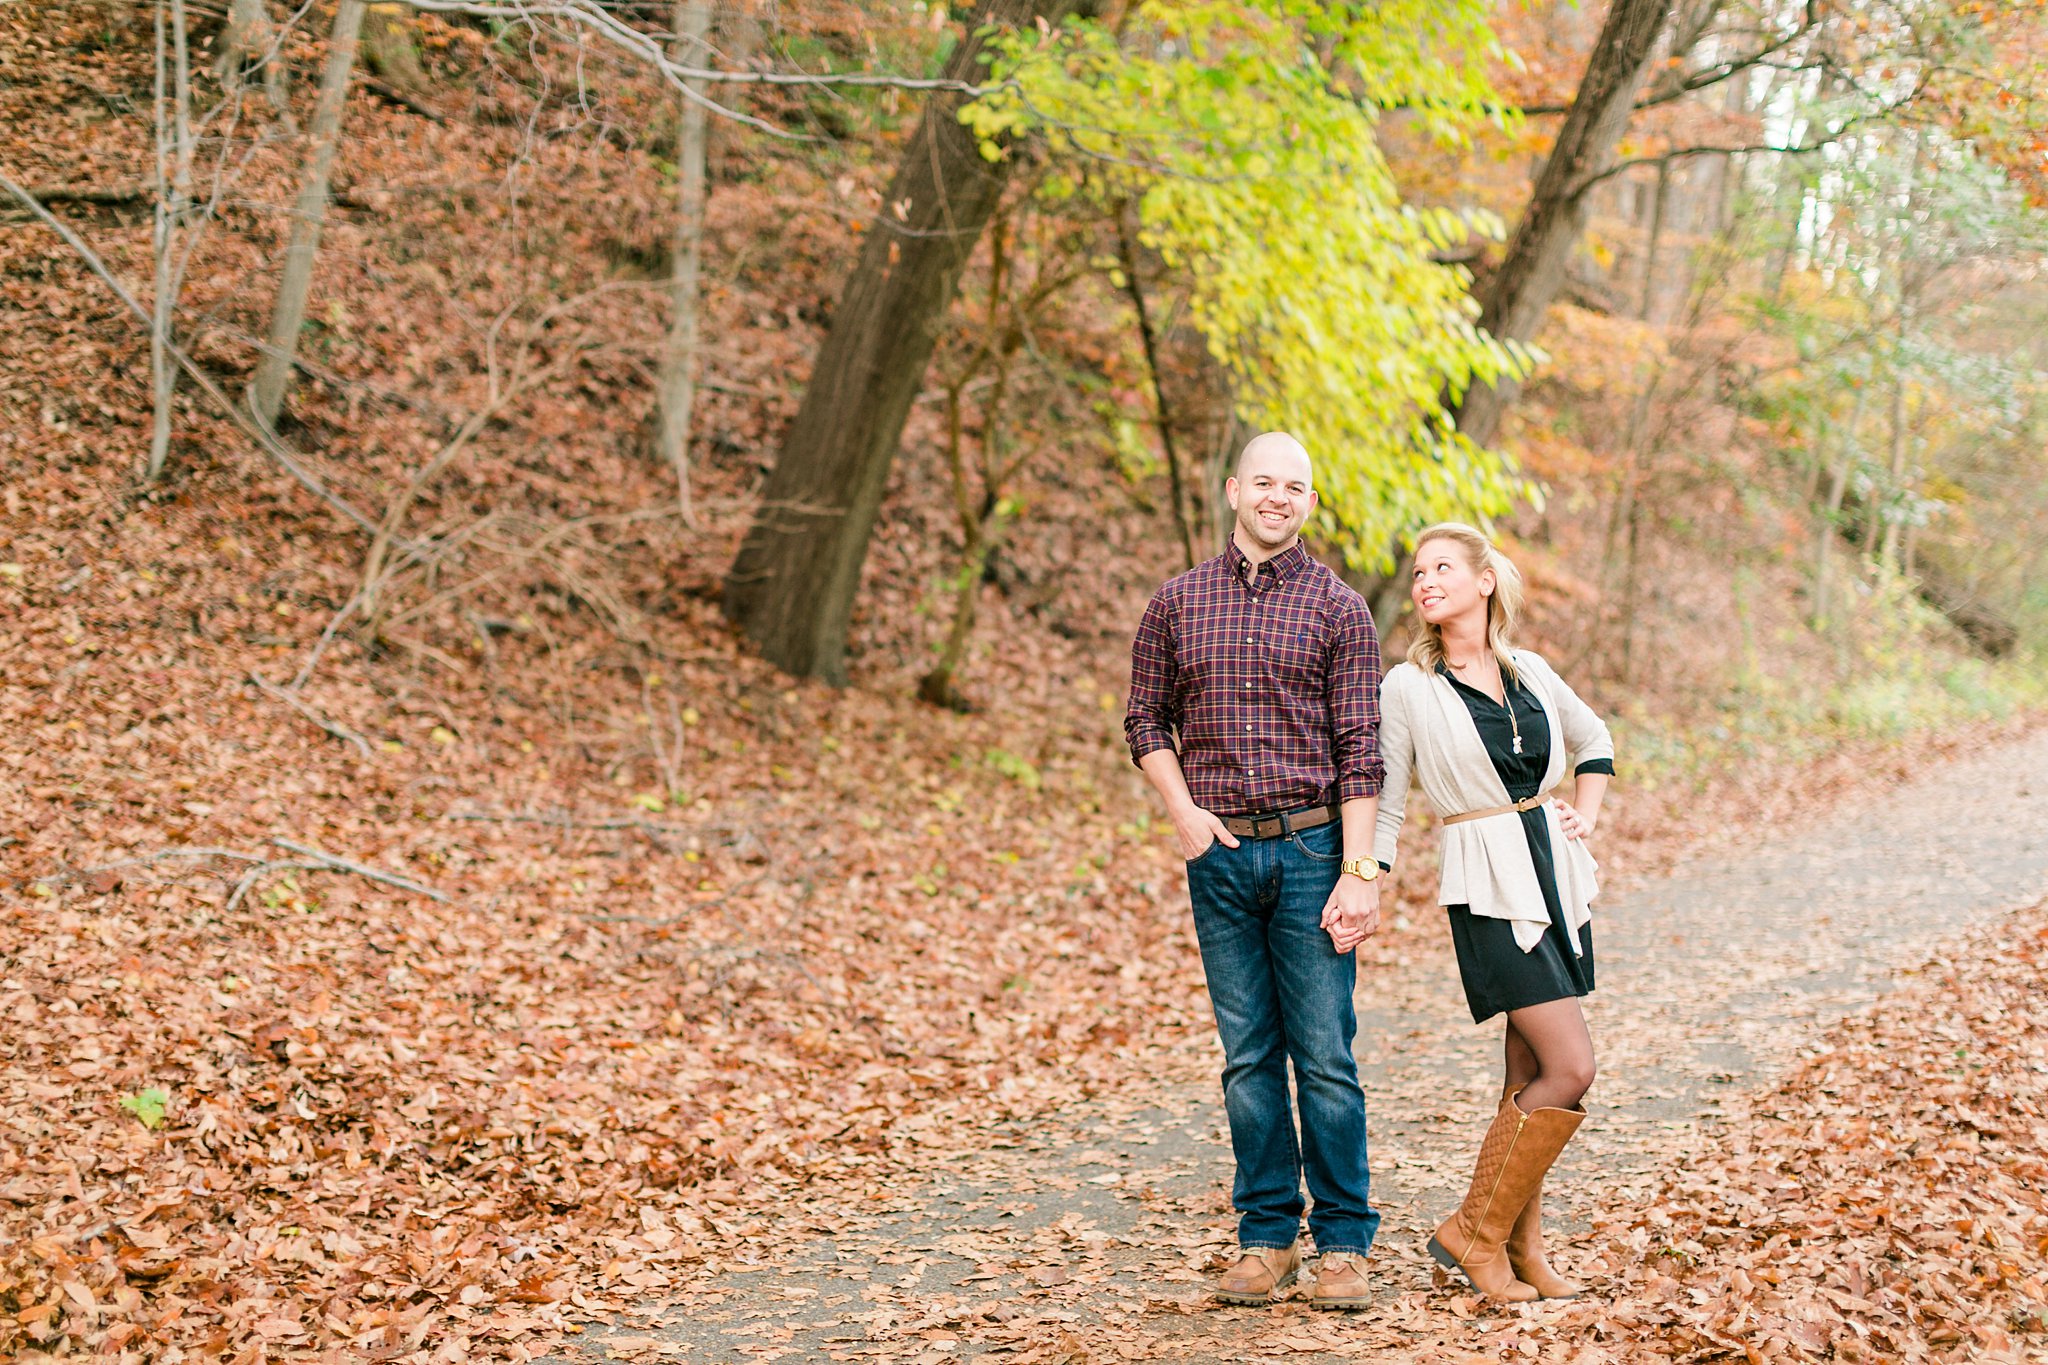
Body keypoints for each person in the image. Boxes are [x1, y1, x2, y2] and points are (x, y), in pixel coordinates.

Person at [1123, 431, 1385, 1312]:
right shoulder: (1176, 602)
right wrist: (1182, 811)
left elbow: (1362, 752)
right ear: (1234, 488)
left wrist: (1362, 870)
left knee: (1325, 1055)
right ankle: (1267, 1236)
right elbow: (1143, 720)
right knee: (1246, 1059)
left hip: (1315, 852)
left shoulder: (1340, 608)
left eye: (1296, 486)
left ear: (1310, 501)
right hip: (1221, 856)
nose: (1279, 496)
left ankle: (1344, 1242)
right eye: (1265, 481)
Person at [1373, 522, 1614, 1304]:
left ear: (1484, 582)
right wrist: (1362, 876)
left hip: (1551, 873)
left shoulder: (1534, 671)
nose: (1425, 580)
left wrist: (1586, 810)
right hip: (1483, 881)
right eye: (1417, 572)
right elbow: (1388, 796)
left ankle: (1522, 1248)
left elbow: (1594, 737)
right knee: (1571, 1066)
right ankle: (1475, 1231)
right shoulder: (1408, 686)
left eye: (1443, 566)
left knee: (1531, 1072)